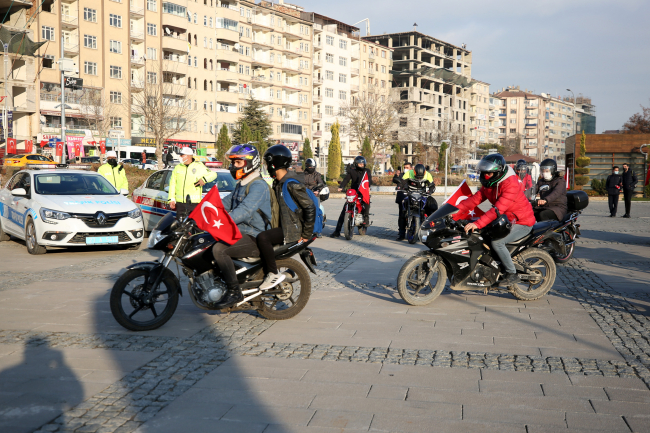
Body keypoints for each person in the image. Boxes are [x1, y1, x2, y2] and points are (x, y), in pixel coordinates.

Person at [205, 143, 272, 305]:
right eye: (233, 162)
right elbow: (225, 203)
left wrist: (221, 221)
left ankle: (234, 292)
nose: (233, 166)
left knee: (220, 250)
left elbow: (245, 210)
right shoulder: (241, 184)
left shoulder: (258, 186)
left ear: (250, 163)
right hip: (240, 231)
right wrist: (204, 210)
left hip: (254, 236)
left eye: (238, 162)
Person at [457, 153, 536, 286]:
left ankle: (512, 273)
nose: (484, 176)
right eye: (483, 173)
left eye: (487, 174)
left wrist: (477, 223)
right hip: (505, 220)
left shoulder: (510, 185)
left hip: (522, 222)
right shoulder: (490, 185)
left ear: (497, 173)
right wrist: (453, 212)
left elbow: (496, 210)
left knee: (497, 243)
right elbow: (474, 200)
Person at [257, 145, 316, 289]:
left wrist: (306, 234)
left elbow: (310, 207)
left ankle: (272, 275)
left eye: (267, 163)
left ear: (274, 163)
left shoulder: (291, 184)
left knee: (263, 238)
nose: (266, 166)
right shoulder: (278, 182)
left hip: (292, 229)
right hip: (285, 225)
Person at [330, 155, 373, 238]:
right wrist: (341, 186)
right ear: (356, 164)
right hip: (353, 192)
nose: (362, 165)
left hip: (363, 191)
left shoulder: (367, 171)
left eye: (363, 164)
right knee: (344, 211)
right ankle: (337, 231)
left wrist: (368, 186)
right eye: (360, 164)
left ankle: (366, 218)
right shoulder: (352, 171)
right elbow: (346, 179)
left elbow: (369, 180)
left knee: (367, 200)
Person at [168, 147, 217, 218]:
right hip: (180, 203)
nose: (180, 157)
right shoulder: (177, 168)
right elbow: (172, 184)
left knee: (193, 225)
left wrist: (204, 179)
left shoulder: (199, 167)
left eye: (182, 155)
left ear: (188, 156)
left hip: (194, 203)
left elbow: (213, 174)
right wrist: (171, 199)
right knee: (180, 225)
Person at [393, 163, 410, 240]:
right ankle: (401, 234)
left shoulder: (413, 175)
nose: (405, 168)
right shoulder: (400, 174)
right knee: (402, 215)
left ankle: (415, 231)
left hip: (412, 197)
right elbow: (395, 180)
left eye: (407, 167)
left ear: (411, 168)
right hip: (402, 197)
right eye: (404, 167)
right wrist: (396, 175)